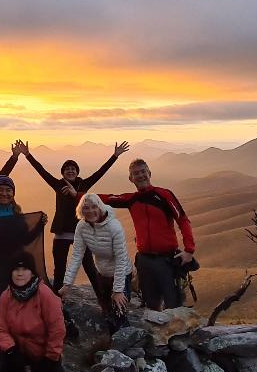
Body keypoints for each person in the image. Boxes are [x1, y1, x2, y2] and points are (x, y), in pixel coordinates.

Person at [17, 141, 129, 291]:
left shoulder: (83, 185)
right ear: (62, 173)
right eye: (67, 169)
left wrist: (114, 156)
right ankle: (57, 303)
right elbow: (41, 171)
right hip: (62, 233)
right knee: (60, 270)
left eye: (73, 169)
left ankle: (104, 302)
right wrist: (28, 155)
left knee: (90, 268)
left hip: (81, 233)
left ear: (77, 172)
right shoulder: (58, 185)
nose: (70, 171)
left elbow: (100, 173)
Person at [100, 159, 196, 311]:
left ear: (149, 173)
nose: (140, 175)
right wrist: (76, 195)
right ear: (131, 178)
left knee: (174, 306)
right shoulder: (131, 199)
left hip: (167, 260)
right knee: (151, 305)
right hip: (144, 261)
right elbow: (104, 198)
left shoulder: (164, 195)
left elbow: (183, 220)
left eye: (143, 172)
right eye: (136, 173)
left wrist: (189, 250)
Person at [0, 253, 65, 372]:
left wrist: (50, 358)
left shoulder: (45, 295)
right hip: (18, 351)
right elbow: (0, 327)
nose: (20, 273)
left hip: (43, 353)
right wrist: (10, 350)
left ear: (32, 272)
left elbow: (57, 330)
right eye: (16, 269)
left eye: (25, 269)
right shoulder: (6, 296)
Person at [58, 194, 133, 330]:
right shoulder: (81, 226)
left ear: (100, 207)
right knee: (106, 309)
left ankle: (125, 343)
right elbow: (76, 255)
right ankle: (111, 339)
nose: (90, 211)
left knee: (119, 310)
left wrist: (118, 290)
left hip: (122, 272)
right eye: (86, 208)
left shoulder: (114, 227)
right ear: (81, 210)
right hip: (103, 273)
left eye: (94, 207)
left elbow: (121, 258)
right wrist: (67, 284)